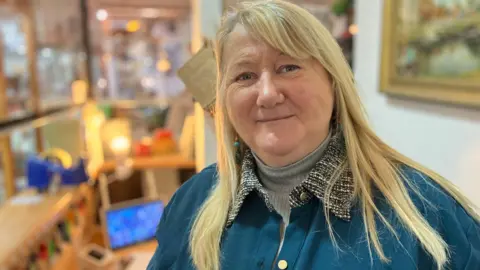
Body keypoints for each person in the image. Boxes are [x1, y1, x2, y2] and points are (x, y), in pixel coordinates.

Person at [147, 1, 480, 269]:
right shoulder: (192, 203)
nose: (266, 94)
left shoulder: (425, 212)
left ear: (334, 83)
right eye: (244, 76)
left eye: (288, 67)